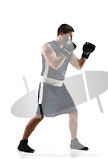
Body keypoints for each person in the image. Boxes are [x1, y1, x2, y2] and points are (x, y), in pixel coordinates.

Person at [17, 24, 96, 153]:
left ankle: (74, 142)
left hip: (61, 87)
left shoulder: (68, 48)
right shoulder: (47, 47)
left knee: (74, 112)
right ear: (61, 34)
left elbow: (78, 66)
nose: (70, 39)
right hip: (47, 86)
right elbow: (54, 64)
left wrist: (85, 54)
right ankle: (23, 142)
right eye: (69, 36)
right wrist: (66, 51)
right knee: (39, 115)